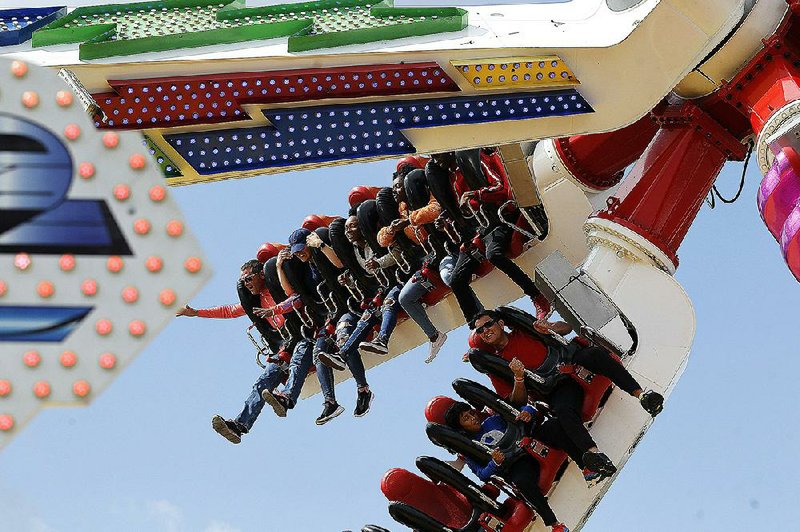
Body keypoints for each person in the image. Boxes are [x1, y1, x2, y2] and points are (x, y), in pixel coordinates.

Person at [468, 309, 664, 474]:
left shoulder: (524, 331)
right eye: (480, 330)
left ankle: (642, 395)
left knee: (594, 354)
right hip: (556, 387)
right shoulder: (500, 367)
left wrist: (550, 327)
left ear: (501, 323)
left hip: (568, 360)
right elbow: (517, 401)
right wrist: (518, 377)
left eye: (488, 325)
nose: (485, 331)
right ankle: (594, 455)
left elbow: (566, 327)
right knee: (563, 412)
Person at [176, 257, 307, 442]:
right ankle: (240, 425)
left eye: (248, 279)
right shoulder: (256, 301)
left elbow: (296, 298)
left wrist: (275, 309)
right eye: (243, 281)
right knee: (263, 381)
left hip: (304, 336)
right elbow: (228, 311)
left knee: (299, 357)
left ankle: (287, 398)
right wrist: (196, 312)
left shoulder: (278, 289)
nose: (246, 284)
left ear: (261, 275)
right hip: (283, 346)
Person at [426, 150, 550, 321]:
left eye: (436, 155)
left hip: (499, 219)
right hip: (481, 230)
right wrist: (447, 220)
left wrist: (476, 194)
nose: (435, 161)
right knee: (456, 280)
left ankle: (538, 296)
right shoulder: (452, 178)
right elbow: (465, 207)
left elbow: (501, 188)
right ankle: (476, 322)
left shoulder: (477, 160)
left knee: (494, 254)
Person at [443, 393, 569, 532]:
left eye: (472, 414)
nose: (473, 418)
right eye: (467, 418)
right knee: (521, 481)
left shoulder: (493, 420)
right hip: (516, 465)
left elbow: (519, 411)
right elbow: (482, 474)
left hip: (527, 446)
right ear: (461, 428)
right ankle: (554, 524)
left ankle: (587, 461)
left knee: (554, 425)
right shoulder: (471, 450)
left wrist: (528, 412)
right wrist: (494, 463)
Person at [291, 226, 375, 418]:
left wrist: (320, 245)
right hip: (332, 314)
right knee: (318, 353)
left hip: (351, 306)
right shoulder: (307, 271)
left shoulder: (322, 251)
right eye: (296, 252)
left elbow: (339, 263)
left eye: (302, 248)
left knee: (343, 338)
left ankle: (363, 390)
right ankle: (330, 402)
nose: (300, 254)